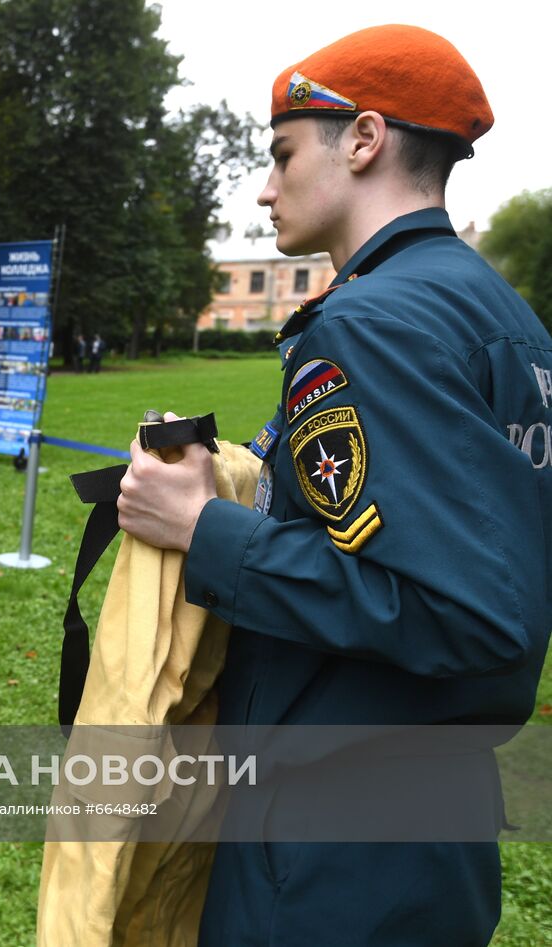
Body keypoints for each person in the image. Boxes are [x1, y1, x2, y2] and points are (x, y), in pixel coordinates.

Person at [114, 25, 552, 946]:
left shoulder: (371, 321)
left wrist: (204, 530)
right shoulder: (500, 315)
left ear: (362, 139)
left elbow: (463, 614)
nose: (265, 187)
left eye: (280, 155)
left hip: (330, 838)